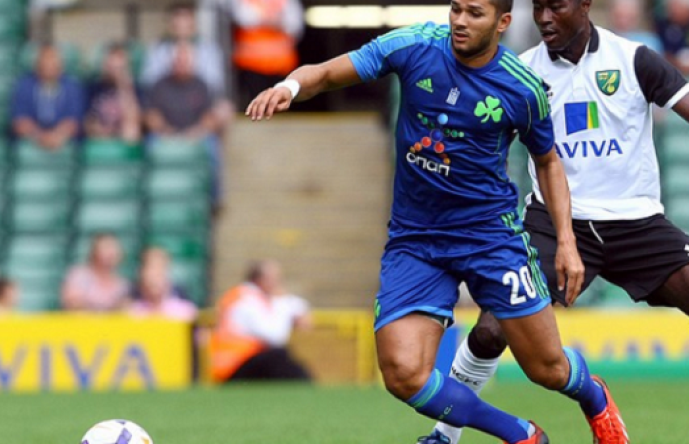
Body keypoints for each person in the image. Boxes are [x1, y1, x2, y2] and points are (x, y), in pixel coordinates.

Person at [246, 0, 628, 442]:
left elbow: (548, 162)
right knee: (403, 373)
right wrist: (290, 87)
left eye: (475, 14)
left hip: (490, 238)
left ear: (503, 23)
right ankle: (522, 434)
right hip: (417, 239)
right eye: (456, 9)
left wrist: (566, 242)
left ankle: (594, 396)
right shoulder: (414, 46)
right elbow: (329, 73)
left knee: (548, 368)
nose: (460, 21)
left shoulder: (522, 87)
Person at [424, 2, 689, 444]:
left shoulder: (634, 59)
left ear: (584, 5)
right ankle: (444, 434)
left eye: (556, 6)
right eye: (538, 7)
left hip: (636, 221)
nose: (544, 17)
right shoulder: (519, 72)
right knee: (491, 328)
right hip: (555, 222)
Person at [145, 41, 225, 206]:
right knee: (149, 146)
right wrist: (166, 132)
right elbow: (151, 116)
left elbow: (209, 118)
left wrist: (195, 133)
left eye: (184, 60)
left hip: (196, 135)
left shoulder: (201, 85)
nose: (181, 64)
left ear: (192, 62)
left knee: (212, 149)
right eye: (178, 60)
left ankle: (214, 199)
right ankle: (147, 197)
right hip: (164, 135)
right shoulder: (159, 85)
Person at [209, 260, 312, 382]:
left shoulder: (248, 295)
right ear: (258, 279)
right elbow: (276, 337)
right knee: (279, 356)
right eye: (272, 278)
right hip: (233, 365)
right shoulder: (246, 300)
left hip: (242, 361)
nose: (277, 284)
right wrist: (285, 307)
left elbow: (296, 304)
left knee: (280, 359)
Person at [10, 43, 85, 151]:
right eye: (45, 60)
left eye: (53, 60)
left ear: (61, 65)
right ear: (37, 65)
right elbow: (20, 122)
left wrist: (57, 136)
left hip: (62, 141)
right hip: (33, 140)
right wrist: (40, 136)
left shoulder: (72, 87)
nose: (49, 65)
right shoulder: (24, 86)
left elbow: (74, 121)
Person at [231, 0, 304, 110]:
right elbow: (242, 19)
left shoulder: (287, 2)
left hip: (281, 66)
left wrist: (266, 21)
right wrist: (274, 21)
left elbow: (295, 25)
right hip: (251, 66)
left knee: (281, 104)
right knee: (254, 106)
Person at [85, 42, 141, 144]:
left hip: (123, 135)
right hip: (100, 135)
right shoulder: (93, 87)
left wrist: (124, 86)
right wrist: (101, 130)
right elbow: (88, 122)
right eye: (111, 65)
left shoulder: (134, 88)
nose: (115, 70)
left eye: (119, 67)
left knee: (131, 131)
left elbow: (135, 120)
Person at [61, 233, 128, 311]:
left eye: (114, 249)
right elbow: (73, 304)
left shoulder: (122, 284)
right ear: (94, 251)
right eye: (106, 248)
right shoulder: (79, 275)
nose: (111, 253)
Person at [130, 262, 198, 322]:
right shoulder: (133, 313)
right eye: (150, 275)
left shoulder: (186, 311)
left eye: (158, 275)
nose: (154, 281)